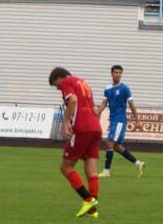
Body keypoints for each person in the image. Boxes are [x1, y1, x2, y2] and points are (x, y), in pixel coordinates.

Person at [48, 67, 102, 219]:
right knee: (91, 169)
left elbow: (73, 100)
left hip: (82, 128)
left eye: (56, 85)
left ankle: (88, 200)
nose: (58, 88)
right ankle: (93, 211)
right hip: (95, 128)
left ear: (59, 77)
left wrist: (65, 121)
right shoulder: (83, 82)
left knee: (66, 167)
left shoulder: (67, 82)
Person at [96, 65, 145, 179]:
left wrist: (137, 120)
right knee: (117, 146)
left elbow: (132, 105)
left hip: (120, 120)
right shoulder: (107, 88)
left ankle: (106, 171)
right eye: (116, 72)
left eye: (120, 73)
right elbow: (104, 103)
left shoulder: (124, 88)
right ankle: (139, 164)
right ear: (111, 73)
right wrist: (96, 113)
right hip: (113, 119)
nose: (118, 74)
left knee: (109, 143)